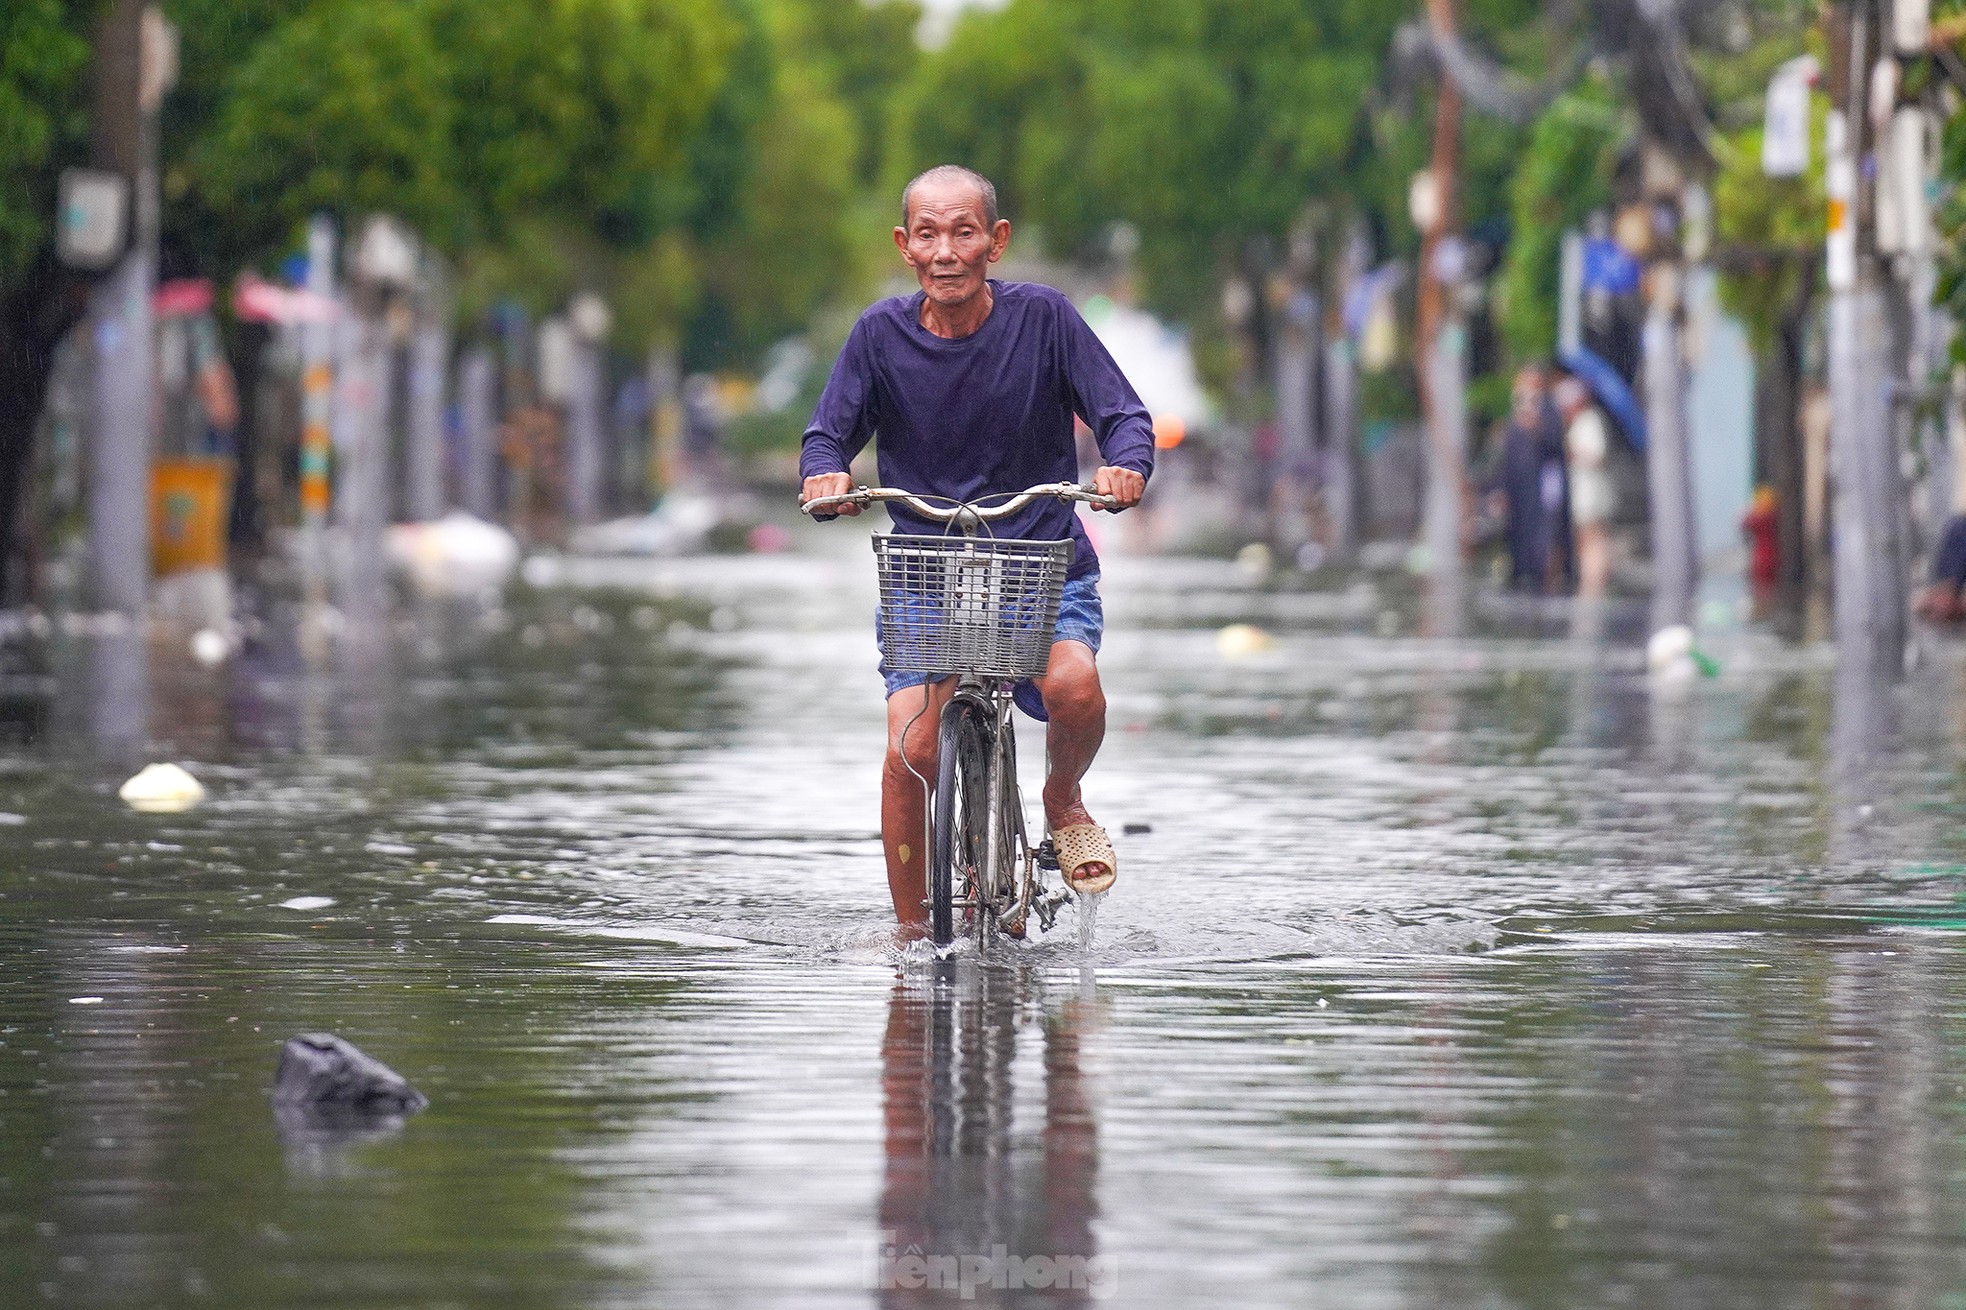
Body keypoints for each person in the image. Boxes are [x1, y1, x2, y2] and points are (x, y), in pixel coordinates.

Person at [799, 165, 1152, 937]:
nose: (946, 251)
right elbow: (828, 433)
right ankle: (910, 938)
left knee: (1076, 685)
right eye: (927, 234)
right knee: (912, 749)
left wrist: (1126, 467)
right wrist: (825, 474)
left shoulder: (1047, 320)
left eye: (964, 232)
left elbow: (1124, 415)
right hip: (926, 574)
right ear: (905, 246)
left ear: (996, 242)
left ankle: (1062, 797)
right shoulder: (878, 337)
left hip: (1042, 560)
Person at [1486, 366, 1567, 591]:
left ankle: (1544, 575)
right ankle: (1520, 573)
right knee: (1516, 533)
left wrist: (1535, 425)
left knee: (1543, 534)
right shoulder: (1513, 417)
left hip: (1541, 487)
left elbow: (1555, 445)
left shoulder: (1549, 412)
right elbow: (1505, 459)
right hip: (1517, 488)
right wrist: (1498, 489)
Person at [1555, 375, 1613, 599]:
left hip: (1591, 490)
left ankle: (1595, 579)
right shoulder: (1578, 422)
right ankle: (1590, 577)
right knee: (1584, 535)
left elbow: (1597, 454)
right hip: (1582, 489)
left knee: (1593, 535)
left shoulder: (1590, 421)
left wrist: (1572, 452)